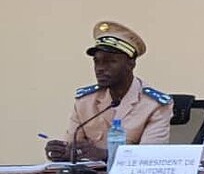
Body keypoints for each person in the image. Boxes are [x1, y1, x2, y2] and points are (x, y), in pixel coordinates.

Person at [45, 21, 173, 162]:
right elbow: (73, 146)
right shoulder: (85, 101)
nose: (100, 68)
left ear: (131, 63)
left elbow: (150, 158)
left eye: (110, 61)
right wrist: (62, 153)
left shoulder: (155, 105)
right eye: (97, 61)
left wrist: (105, 155)